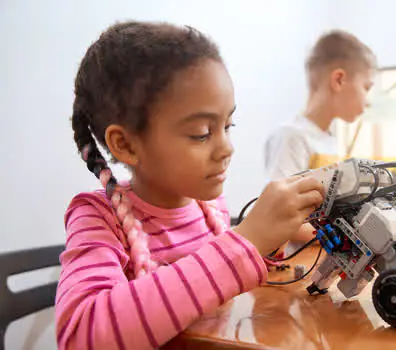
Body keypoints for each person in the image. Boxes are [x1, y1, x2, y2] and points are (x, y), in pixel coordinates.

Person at [55, 21, 324, 350]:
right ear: (125, 145)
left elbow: (223, 290)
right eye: (201, 133)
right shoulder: (98, 216)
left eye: (228, 125)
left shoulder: (210, 207)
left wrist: (269, 243)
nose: (227, 148)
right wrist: (246, 242)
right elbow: (82, 336)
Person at [264, 29, 376, 243]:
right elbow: (282, 220)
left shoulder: (329, 139)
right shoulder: (292, 137)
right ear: (339, 80)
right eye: (366, 87)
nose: (368, 101)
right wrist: (349, 237)